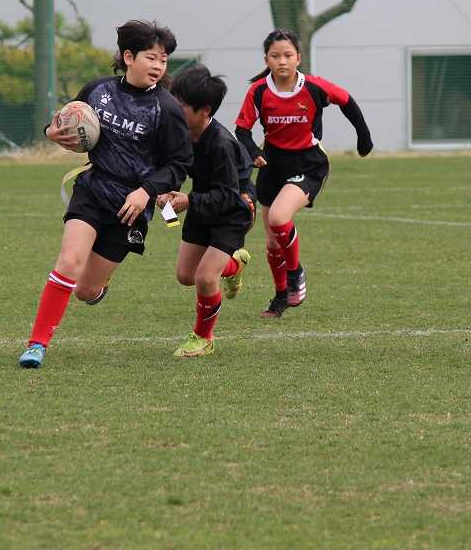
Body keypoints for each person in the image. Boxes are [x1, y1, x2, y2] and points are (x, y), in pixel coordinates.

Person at [18, 20, 193, 369]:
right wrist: (51, 131)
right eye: (151, 58)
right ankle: (37, 344)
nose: (158, 66)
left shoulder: (167, 110)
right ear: (128, 57)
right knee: (69, 261)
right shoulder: (98, 91)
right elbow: (66, 121)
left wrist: (146, 191)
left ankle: (97, 288)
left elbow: (180, 163)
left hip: (130, 208)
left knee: (85, 290)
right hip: (93, 190)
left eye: (163, 60)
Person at [234, 29, 373, 318]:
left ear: (298, 58)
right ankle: (280, 296)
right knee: (272, 242)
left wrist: (364, 138)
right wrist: (254, 152)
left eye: (288, 55)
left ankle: (295, 272)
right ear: (266, 59)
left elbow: (347, 101)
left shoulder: (313, 87)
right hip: (272, 164)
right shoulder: (259, 91)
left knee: (278, 217)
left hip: (308, 163)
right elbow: (242, 130)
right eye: (275, 56)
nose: (282, 61)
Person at [157, 64, 254, 358]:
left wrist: (187, 201)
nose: (173, 110)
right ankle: (233, 265)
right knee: (186, 275)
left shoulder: (221, 144)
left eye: (181, 106)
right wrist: (166, 194)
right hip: (202, 202)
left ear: (204, 111)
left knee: (205, 277)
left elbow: (228, 195)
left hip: (233, 210)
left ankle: (203, 338)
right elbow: (176, 167)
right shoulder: (181, 133)